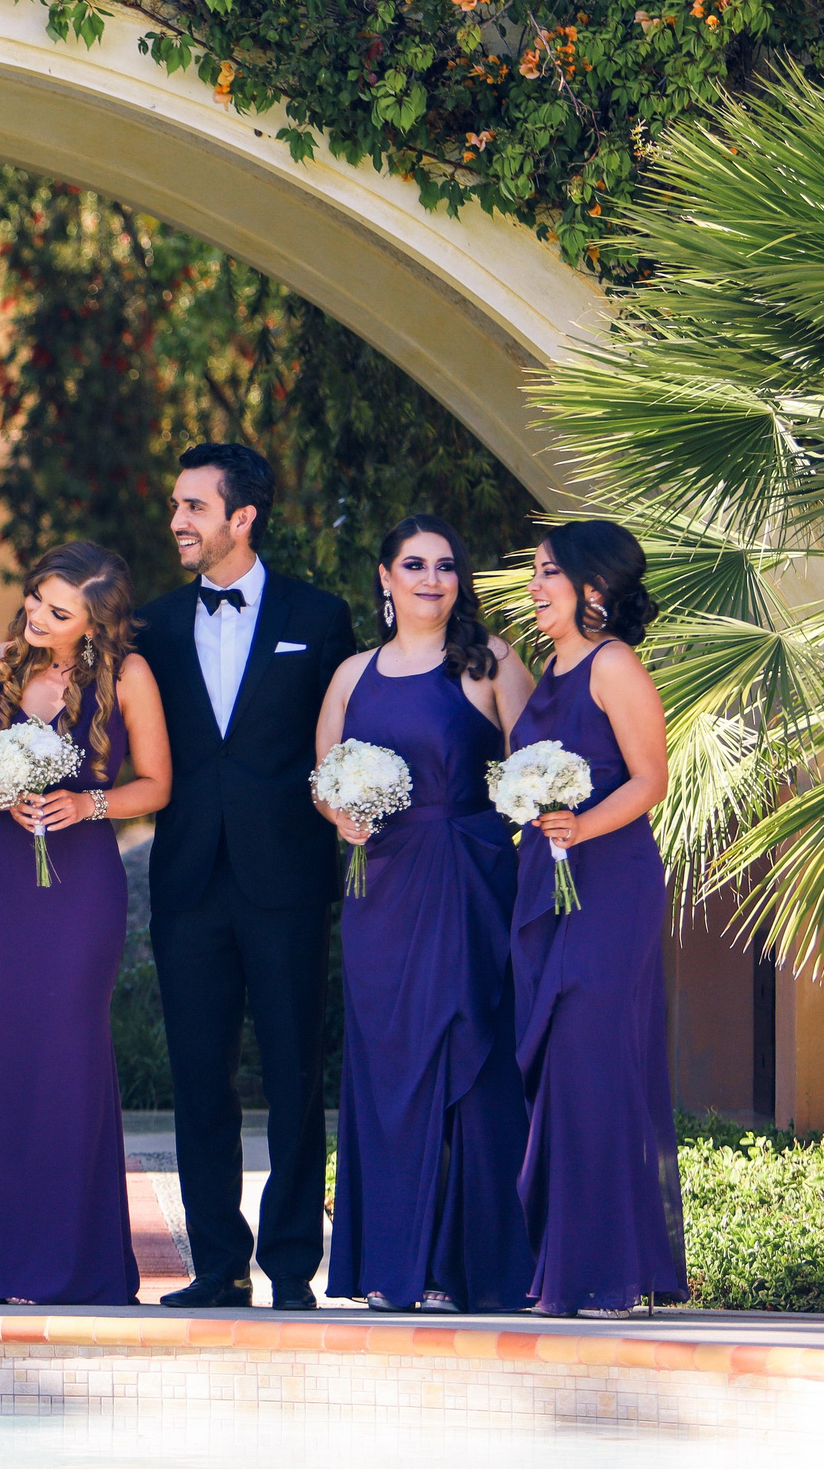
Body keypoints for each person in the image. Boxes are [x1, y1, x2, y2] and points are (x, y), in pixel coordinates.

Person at [138, 442, 356, 1311]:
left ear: (241, 517)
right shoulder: (151, 624)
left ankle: (293, 1264)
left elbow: (339, 739)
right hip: (189, 882)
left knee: (297, 1072)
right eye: (177, 505)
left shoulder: (321, 614)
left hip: (289, 879)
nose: (177, 521)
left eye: (193, 506)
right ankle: (218, 1263)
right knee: (200, 1076)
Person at [0, 542, 170, 1305]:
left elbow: (157, 784)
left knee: (69, 1052)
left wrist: (85, 802)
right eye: (35, 599)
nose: (36, 615)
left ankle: (72, 1261)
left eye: (57, 611)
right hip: (3, 878)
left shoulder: (127, 674)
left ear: (94, 622)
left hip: (82, 885)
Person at [313, 517, 536, 1313]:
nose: (431, 578)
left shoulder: (491, 661)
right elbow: (324, 779)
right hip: (380, 890)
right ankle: (392, 1264)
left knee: (468, 1059)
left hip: (469, 878)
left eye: (446, 565)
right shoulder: (350, 675)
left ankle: (463, 1266)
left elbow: (536, 763)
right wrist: (340, 815)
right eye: (414, 564)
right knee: (389, 1069)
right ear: (384, 576)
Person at [511, 520, 685, 1318]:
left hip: (609, 884)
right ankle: (565, 1261)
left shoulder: (613, 664)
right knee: (557, 1066)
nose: (534, 584)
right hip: (546, 880)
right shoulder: (549, 667)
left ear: (592, 589)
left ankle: (609, 1269)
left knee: (593, 1059)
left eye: (548, 572)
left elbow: (650, 777)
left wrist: (580, 825)